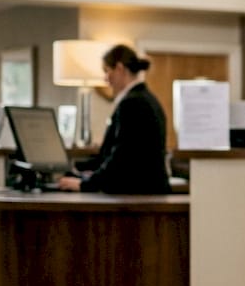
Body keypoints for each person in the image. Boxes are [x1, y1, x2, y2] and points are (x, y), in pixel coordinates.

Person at [57, 44, 171, 194]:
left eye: (107, 71)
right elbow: (110, 155)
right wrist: (77, 168)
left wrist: (85, 185)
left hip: (138, 194)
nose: (106, 79)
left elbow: (121, 157)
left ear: (119, 68)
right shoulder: (146, 98)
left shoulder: (133, 103)